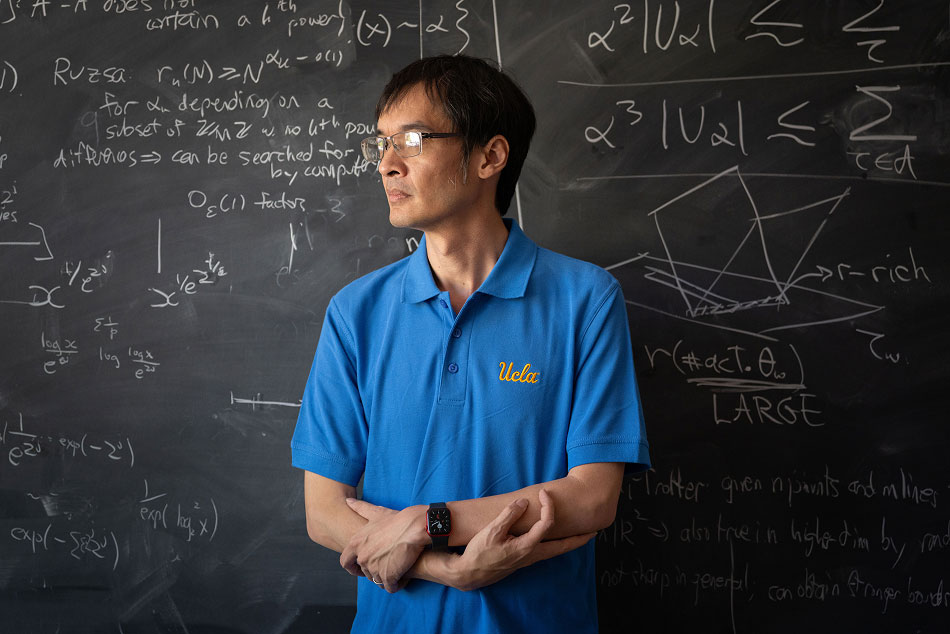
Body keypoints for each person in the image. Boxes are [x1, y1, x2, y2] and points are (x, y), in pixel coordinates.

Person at [290, 54, 650, 633]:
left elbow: (591, 498)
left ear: (490, 156)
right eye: (380, 143)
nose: (386, 164)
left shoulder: (585, 299)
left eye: (411, 140)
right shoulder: (356, 312)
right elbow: (324, 511)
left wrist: (428, 522)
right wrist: (450, 568)